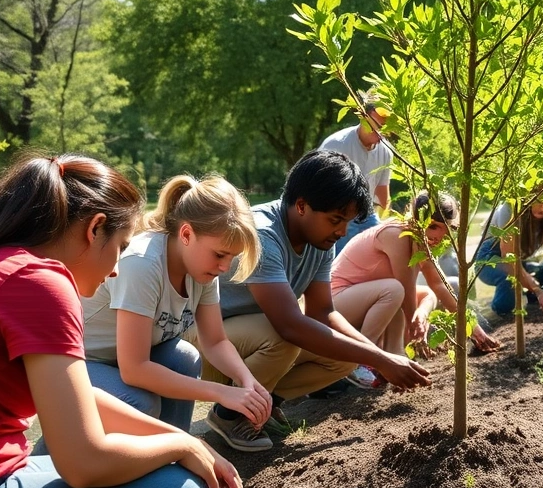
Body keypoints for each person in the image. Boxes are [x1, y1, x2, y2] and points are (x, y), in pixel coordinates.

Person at [0, 155, 243, 488]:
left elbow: (83, 398)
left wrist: (189, 443)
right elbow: (82, 464)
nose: (116, 269)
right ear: (95, 228)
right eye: (121, 245)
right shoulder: (39, 282)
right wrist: (181, 445)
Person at [202, 150, 432, 451]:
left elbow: (324, 312)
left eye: (347, 221)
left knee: (345, 356)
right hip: (207, 343)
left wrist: (372, 354)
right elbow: (289, 325)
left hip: (249, 339)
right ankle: (230, 414)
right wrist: (381, 359)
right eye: (336, 219)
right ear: (301, 206)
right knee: (287, 337)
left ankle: (265, 403)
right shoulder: (263, 235)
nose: (342, 231)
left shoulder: (320, 241)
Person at [80, 175, 271, 438]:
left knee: (183, 358)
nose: (225, 267)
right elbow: (134, 368)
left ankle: (173, 455)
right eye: (219, 254)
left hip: (123, 360)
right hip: (82, 362)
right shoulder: (143, 264)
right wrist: (221, 392)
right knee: (140, 403)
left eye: (232, 257)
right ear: (186, 234)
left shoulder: (202, 270)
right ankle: (55, 457)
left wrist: (247, 382)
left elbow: (215, 341)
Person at [331, 190, 501, 383]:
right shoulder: (396, 234)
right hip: (335, 303)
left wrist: (473, 329)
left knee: (425, 293)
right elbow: (404, 288)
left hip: (367, 300)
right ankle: (360, 361)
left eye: (446, 228)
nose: (439, 235)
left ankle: (395, 360)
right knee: (395, 291)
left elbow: (439, 285)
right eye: (433, 226)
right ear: (418, 219)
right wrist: (415, 327)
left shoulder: (421, 242)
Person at [476, 196, 543, 316]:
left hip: (520, 262)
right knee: (509, 281)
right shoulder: (510, 208)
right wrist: (538, 290)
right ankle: (500, 309)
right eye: (540, 200)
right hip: (490, 259)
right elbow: (508, 258)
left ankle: (532, 291)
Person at [319, 90, 393, 252]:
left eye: (386, 126)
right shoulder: (336, 145)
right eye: (377, 125)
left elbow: (383, 196)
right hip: (336, 214)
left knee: (385, 244)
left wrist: (387, 223)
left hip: (366, 215)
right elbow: (319, 190)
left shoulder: (386, 151)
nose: (381, 131)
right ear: (363, 116)